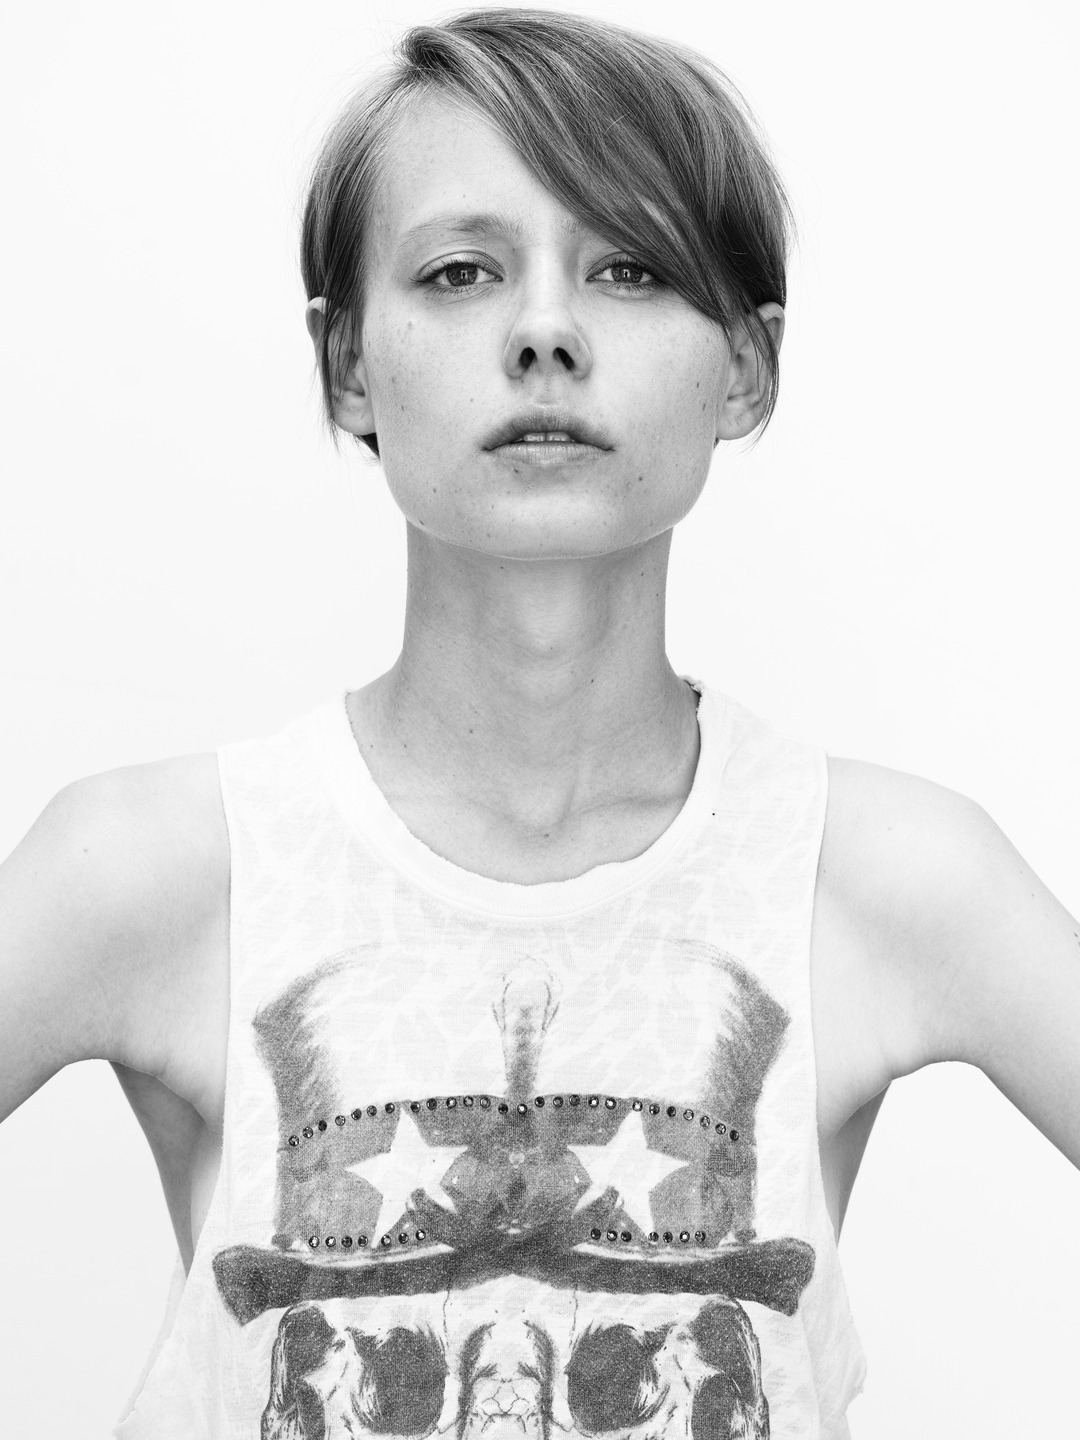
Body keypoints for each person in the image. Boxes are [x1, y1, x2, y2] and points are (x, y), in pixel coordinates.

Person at [1, 7, 1077, 1437]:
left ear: (747, 366)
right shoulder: (156, 867)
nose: (546, 331)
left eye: (630, 268)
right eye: (460, 271)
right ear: (347, 363)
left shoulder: (881, 876)